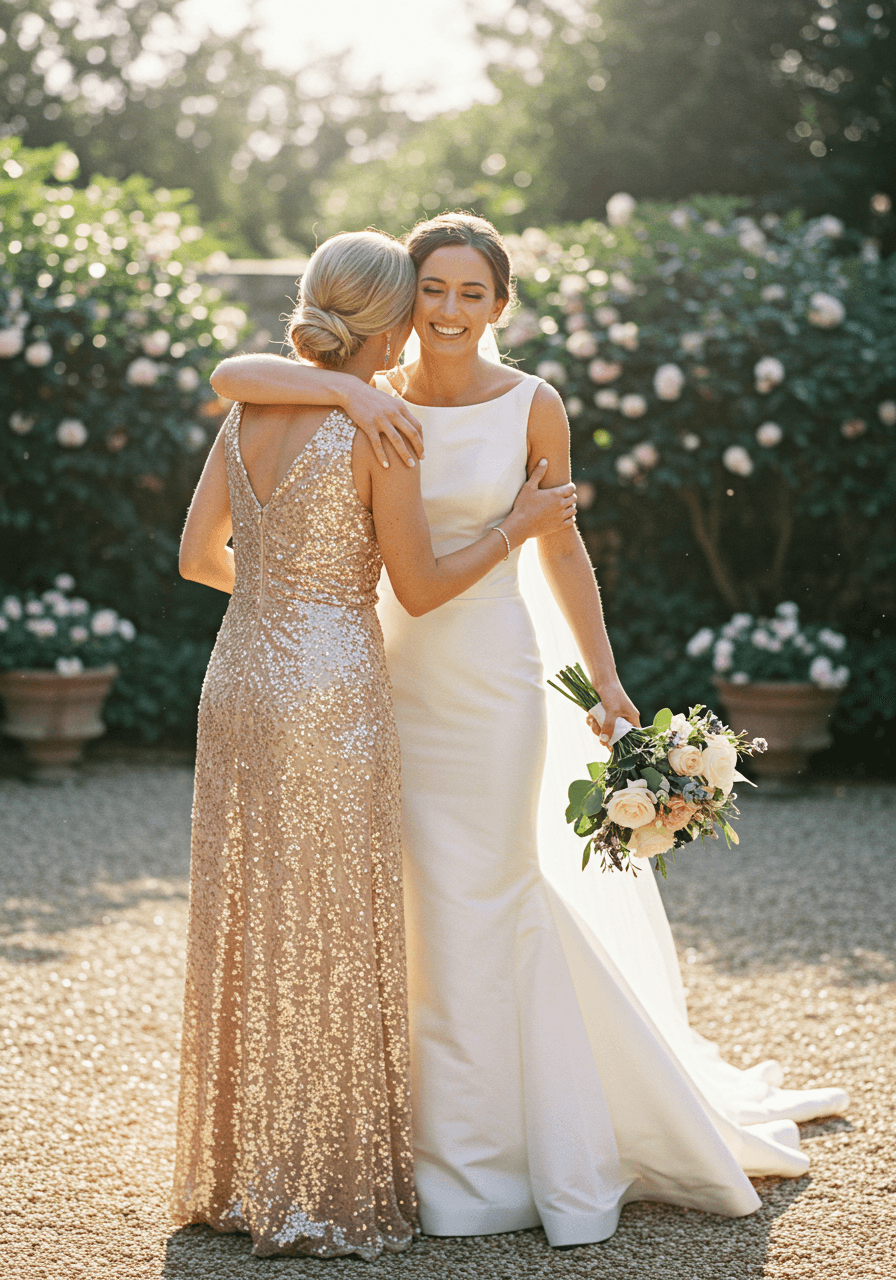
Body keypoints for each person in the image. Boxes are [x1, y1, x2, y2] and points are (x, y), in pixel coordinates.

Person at [211, 212, 848, 1247]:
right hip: (377, 680)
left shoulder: (531, 404)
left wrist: (605, 678)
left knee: (485, 890)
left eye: (472, 293)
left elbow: (560, 549)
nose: (451, 311)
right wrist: (341, 389)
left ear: (501, 304)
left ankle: (494, 1160)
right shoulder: (368, 394)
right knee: (406, 905)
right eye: (433, 291)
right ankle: (408, 1142)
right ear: (401, 302)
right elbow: (234, 373)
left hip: (489, 680)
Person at [171, 228, 577, 1261]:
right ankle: (322, 1182)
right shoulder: (381, 427)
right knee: (337, 933)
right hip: (332, 692)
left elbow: (193, 555)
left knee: (251, 920)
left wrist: (287, 601)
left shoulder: (252, 407)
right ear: (393, 324)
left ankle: (236, 1173)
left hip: (237, 679)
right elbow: (423, 586)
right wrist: (519, 525)